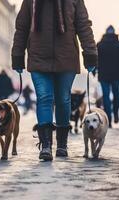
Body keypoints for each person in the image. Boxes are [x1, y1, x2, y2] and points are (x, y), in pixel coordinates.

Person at [12, 0, 97, 161]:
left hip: (66, 58)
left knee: (63, 100)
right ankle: (45, 146)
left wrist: (90, 54)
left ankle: (62, 145)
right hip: (38, 57)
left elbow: (83, 26)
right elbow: (22, 27)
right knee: (44, 98)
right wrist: (17, 55)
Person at [97, 25, 119, 128]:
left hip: (103, 75)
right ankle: (116, 113)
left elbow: (95, 58)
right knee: (116, 95)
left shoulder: (100, 45)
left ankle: (108, 118)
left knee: (106, 97)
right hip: (116, 75)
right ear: (114, 33)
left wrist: (94, 70)